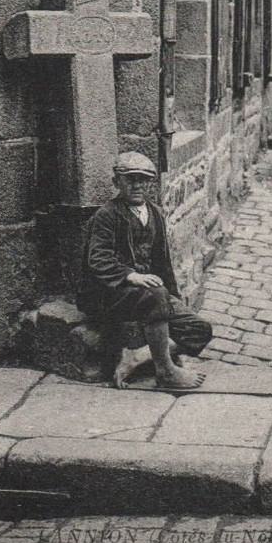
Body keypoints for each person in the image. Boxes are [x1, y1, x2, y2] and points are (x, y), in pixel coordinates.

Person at [78, 151, 213, 390]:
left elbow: (163, 264)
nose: (137, 185)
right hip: (113, 294)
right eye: (130, 179)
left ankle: (138, 356)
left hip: (149, 294)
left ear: (150, 183)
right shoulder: (107, 215)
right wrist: (131, 276)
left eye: (143, 179)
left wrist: (174, 299)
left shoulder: (155, 214)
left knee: (199, 329)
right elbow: (98, 259)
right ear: (116, 182)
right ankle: (165, 371)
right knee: (156, 296)